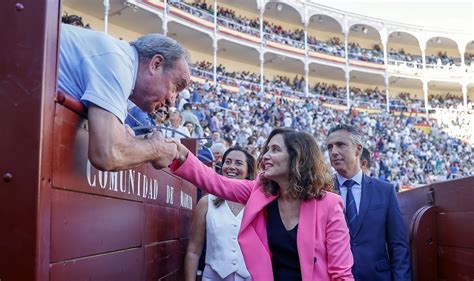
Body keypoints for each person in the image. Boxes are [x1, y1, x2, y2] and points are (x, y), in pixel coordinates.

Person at [170, 128, 354, 281]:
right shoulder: (260, 193)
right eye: (266, 149)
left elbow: (341, 273)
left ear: (296, 157)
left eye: (275, 149)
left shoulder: (329, 204)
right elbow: (216, 182)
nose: (265, 156)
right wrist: (182, 155)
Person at [58, 23, 190, 171]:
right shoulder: (116, 62)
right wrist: (157, 149)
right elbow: (107, 154)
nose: (172, 101)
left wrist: (130, 142)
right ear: (156, 64)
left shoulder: (120, 63)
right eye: (176, 87)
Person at [326, 124, 411, 281]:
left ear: (358, 149)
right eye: (330, 147)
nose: (334, 152)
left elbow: (398, 245)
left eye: (340, 145)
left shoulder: (385, 190)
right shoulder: (322, 192)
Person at [185, 147, 256, 281]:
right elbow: (193, 250)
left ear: (248, 171)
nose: (231, 167)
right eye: (227, 162)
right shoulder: (206, 202)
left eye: (238, 163)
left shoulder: (257, 204)